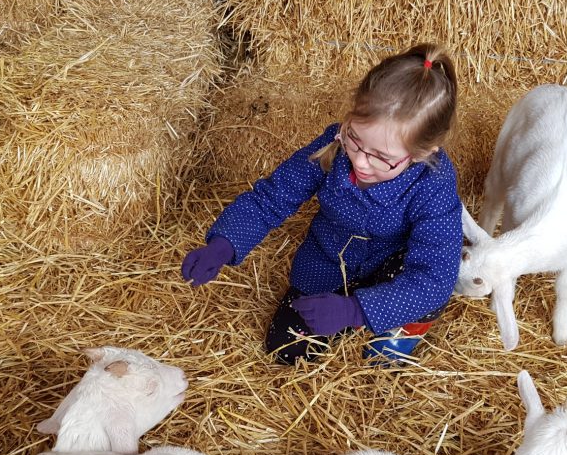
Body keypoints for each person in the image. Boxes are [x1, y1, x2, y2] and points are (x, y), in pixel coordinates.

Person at [182, 43, 463, 365]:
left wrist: (355, 310)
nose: (361, 161)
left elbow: (434, 277)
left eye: (382, 157)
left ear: (422, 153)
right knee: (288, 350)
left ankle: (403, 328)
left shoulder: (434, 182)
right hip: (326, 264)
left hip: (391, 272)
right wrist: (223, 244)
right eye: (355, 138)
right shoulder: (333, 145)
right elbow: (272, 197)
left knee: (422, 301)